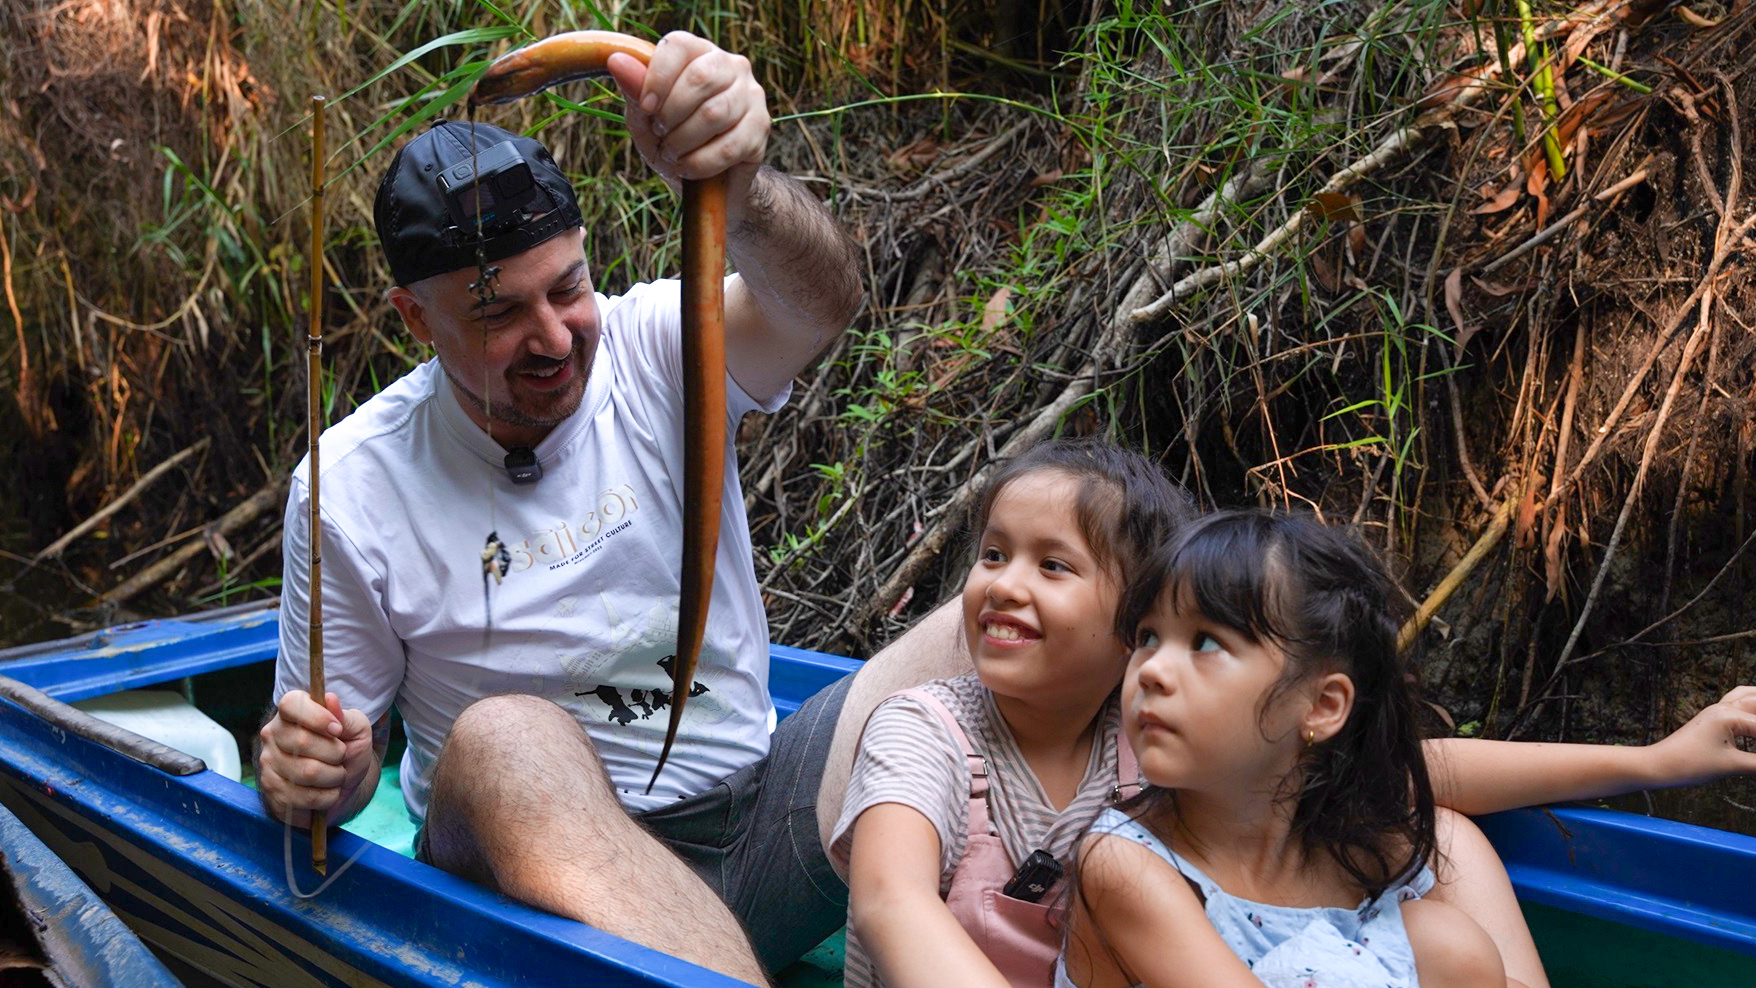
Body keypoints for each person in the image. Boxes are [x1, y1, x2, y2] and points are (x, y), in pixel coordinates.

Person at [255, 31, 877, 984]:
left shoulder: (660, 344)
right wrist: (316, 777)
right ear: (416, 319)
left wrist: (740, 192)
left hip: (753, 828)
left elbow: (822, 301)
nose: (553, 338)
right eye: (499, 313)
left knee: (994, 621)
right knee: (508, 734)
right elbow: (337, 773)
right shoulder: (351, 485)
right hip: (537, 901)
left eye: (569, 288)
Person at [833, 438, 1756, 988]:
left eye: (1053, 565)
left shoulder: (1155, 747)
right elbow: (887, 899)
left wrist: (1653, 762)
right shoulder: (935, 732)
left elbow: (1424, 765)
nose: (1002, 584)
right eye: (991, 554)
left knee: (1449, 844)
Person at [1062, 509, 1498, 988]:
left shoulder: (1369, 854)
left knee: (1450, 944)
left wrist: (1600, 765)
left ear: (1322, 705)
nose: (1151, 671)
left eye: (1205, 643)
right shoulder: (1123, 863)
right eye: (1148, 637)